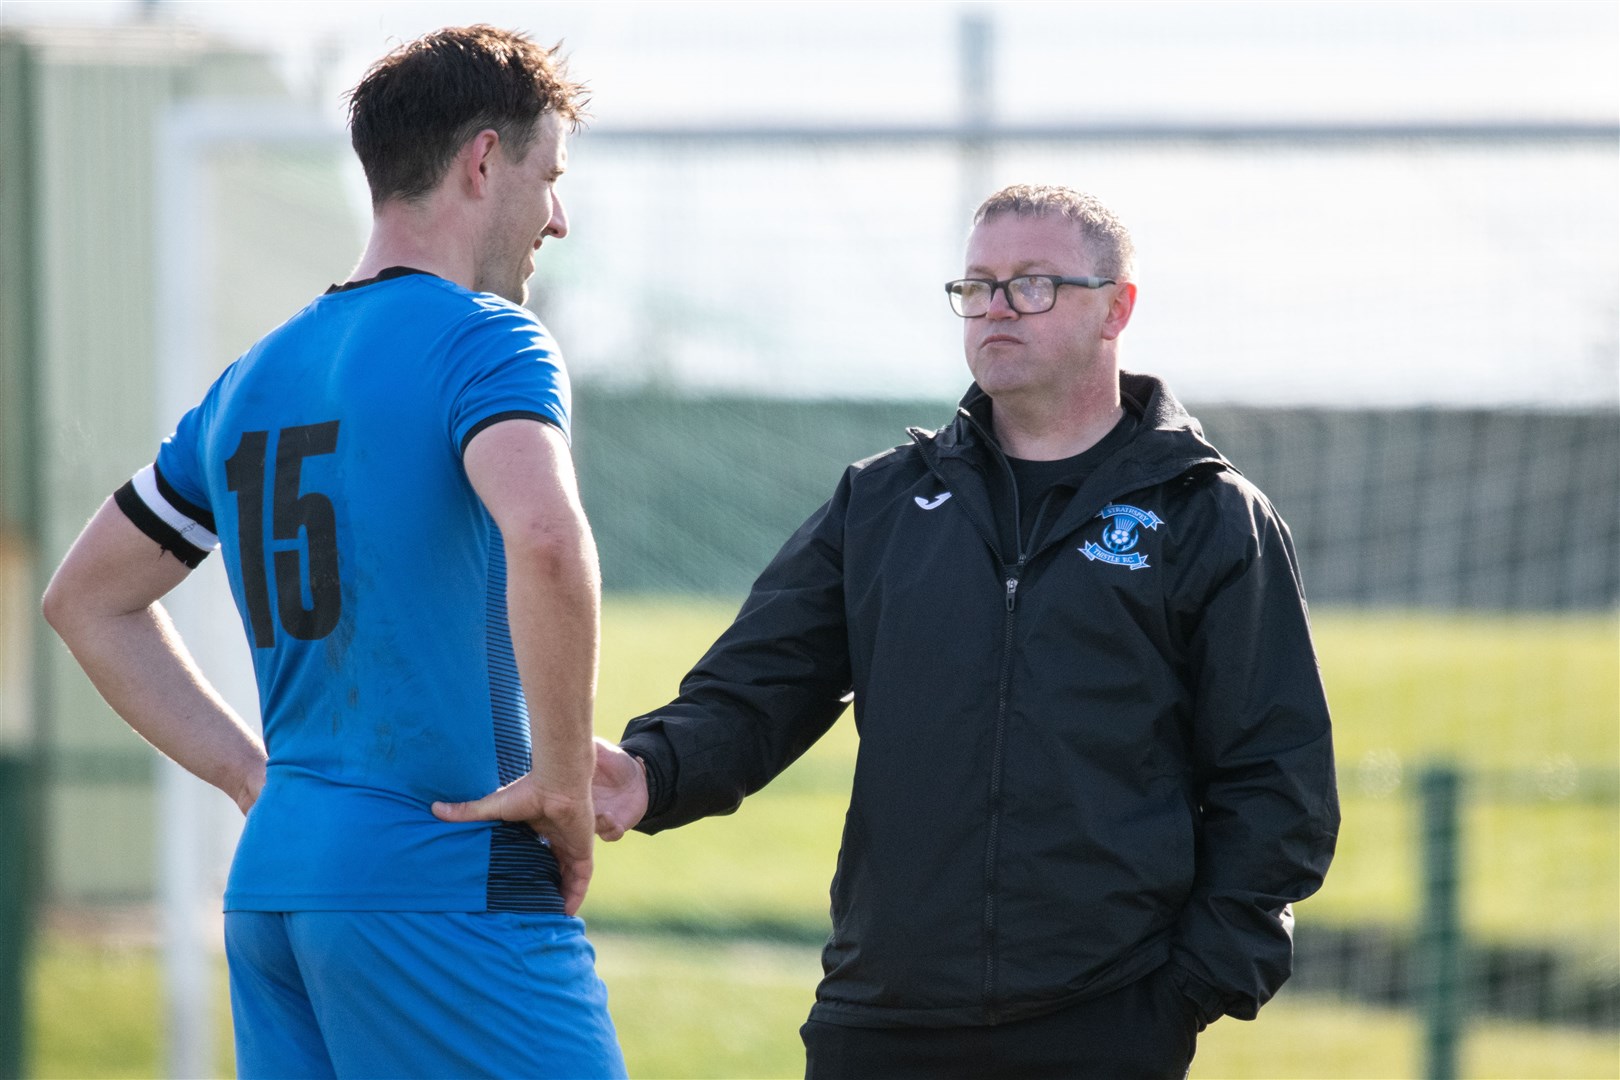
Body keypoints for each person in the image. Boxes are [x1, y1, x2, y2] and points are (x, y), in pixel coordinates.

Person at [581, 184, 1339, 1079]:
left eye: (1032, 284)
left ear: (1117, 308)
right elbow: (758, 689)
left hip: (1104, 1019)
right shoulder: (886, 500)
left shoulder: (1208, 516)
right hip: (882, 1014)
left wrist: (1190, 988)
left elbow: (1275, 777)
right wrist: (647, 771)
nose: (995, 308)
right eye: (976, 285)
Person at [42, 25, 626, 1079]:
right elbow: (545, 537)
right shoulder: (485, 339)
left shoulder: (253, 376)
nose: (559, 218)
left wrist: (248, 779)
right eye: (550, 178)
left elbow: (85, 599)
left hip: (277, 887)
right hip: (445, 877)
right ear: (483, 161)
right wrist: (562, 788)